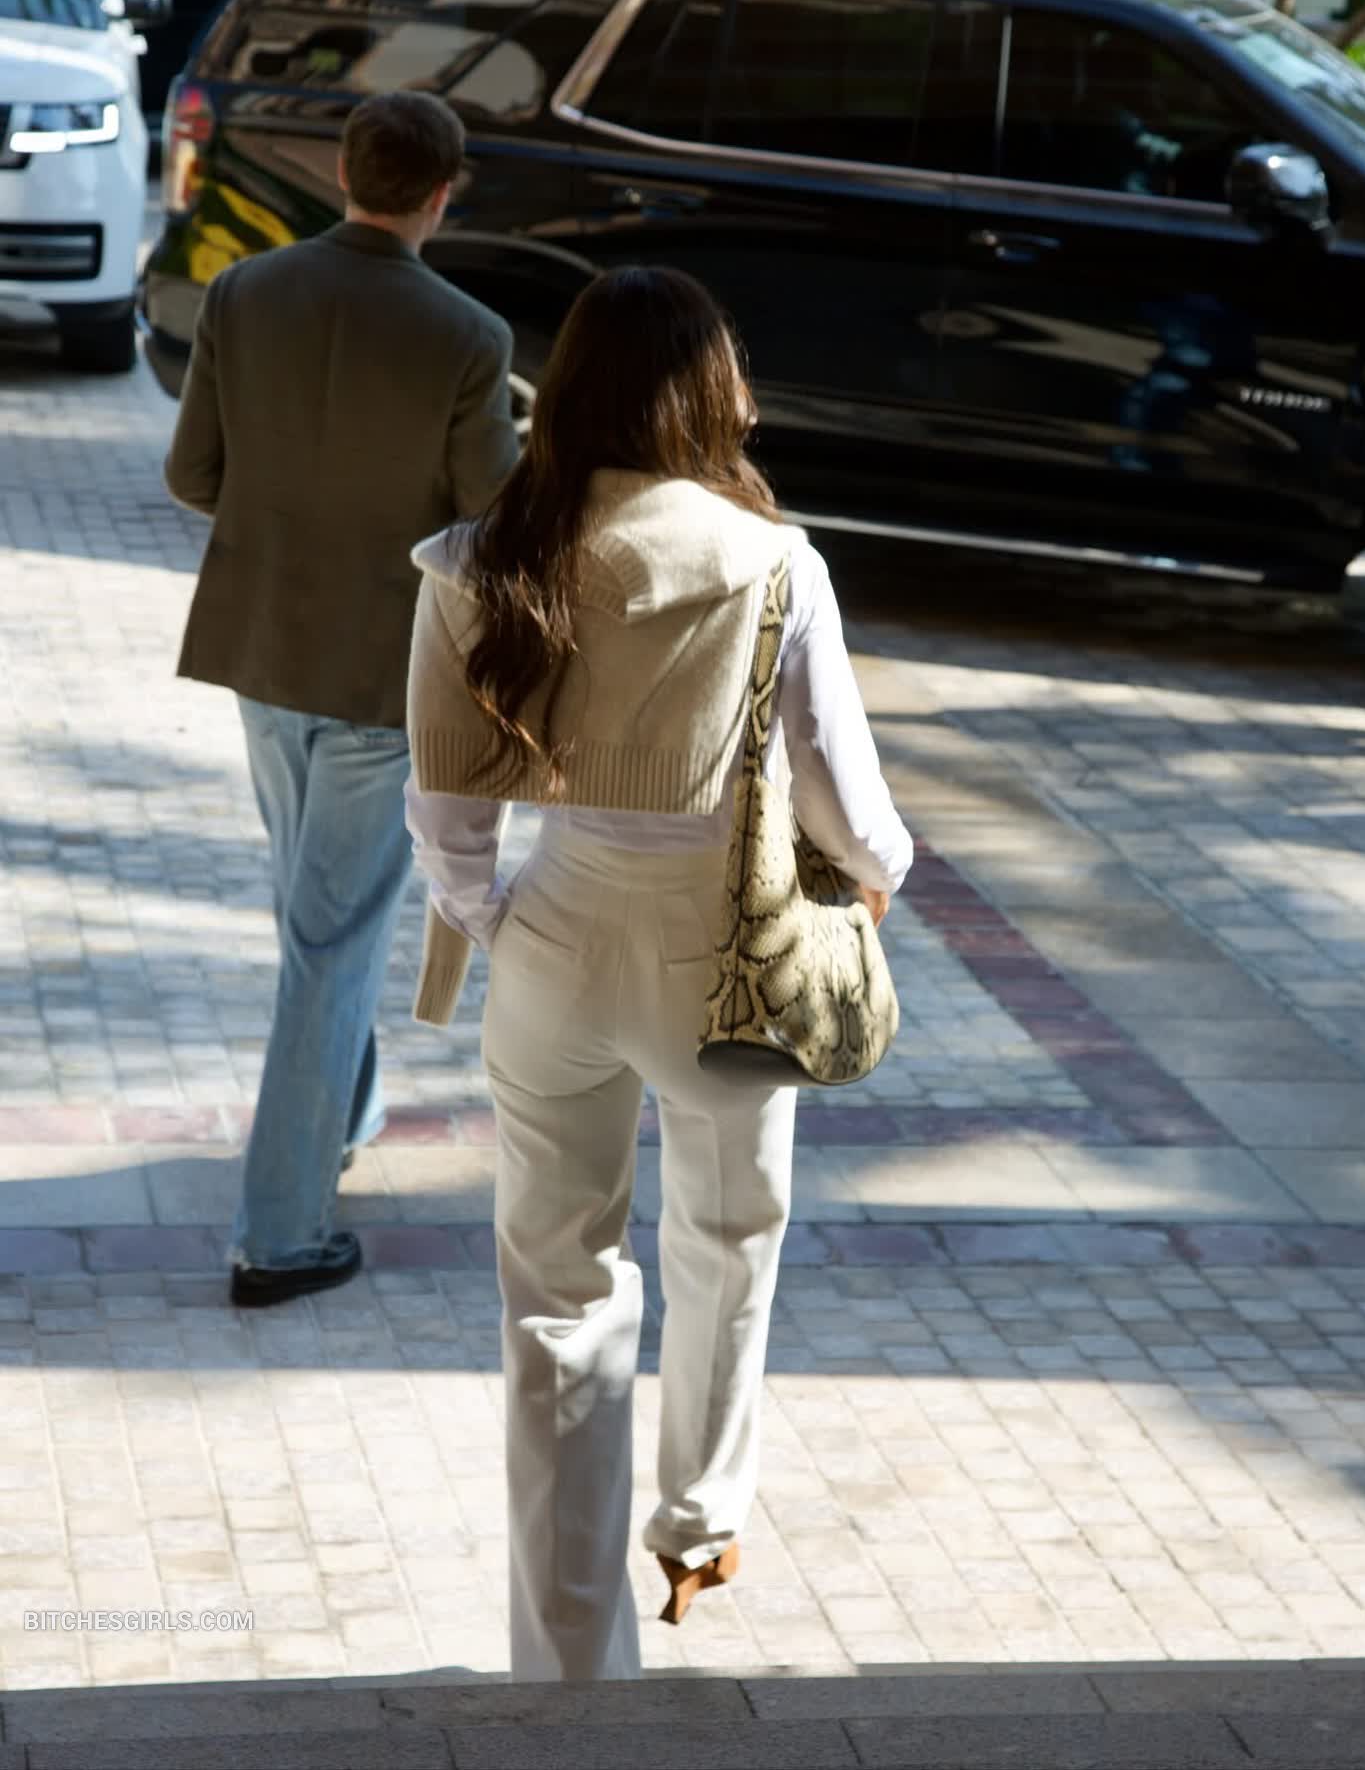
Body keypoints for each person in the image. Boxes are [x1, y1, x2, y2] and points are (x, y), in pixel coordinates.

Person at [404, 266, 913, 1680]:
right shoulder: (775, 563)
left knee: (555, 1301)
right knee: (730, 1235)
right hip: (724, 955)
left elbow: (443, 808)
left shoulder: (478, 556)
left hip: (554, 937)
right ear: (711, 394)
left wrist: (499, 922)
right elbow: (844, 804)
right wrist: (884, 873)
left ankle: (569, 1657)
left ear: (567, 385)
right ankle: (701, 1523)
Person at [164, 89, 520, 1309]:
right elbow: (491, 521)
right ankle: (279, 1234)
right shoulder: (470, 335)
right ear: (442, 194)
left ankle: (339, 1116)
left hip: (264, 653)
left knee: (316, 926)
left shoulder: (241, 292)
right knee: (328, 941)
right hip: (382, 675)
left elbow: (192, 473)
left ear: (340, 172)